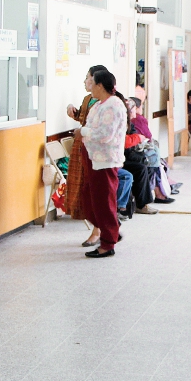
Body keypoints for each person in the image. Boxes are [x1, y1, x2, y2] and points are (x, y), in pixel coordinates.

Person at [74, 69, 128, 258]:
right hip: (93, 158)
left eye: (91, 82)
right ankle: (111, 230)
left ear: (99, 85)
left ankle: (107, 243)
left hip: (105, 160)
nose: (89, 86)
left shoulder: (113, 105)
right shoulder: (98, 104)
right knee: (90, 201)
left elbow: (106, 134)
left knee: (104, 202)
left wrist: (84, 133)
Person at [65, 66, 108, 243]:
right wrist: (73, 110)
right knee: (83, 190)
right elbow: (84, 119)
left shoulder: (107, 102)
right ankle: (100, 228)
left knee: (93, 190)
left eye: (88, 78)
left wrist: (85, 132)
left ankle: (99, 230)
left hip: (95, 150)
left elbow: (100, 128)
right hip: (80, 148)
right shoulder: (88, 99)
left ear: (97, 82)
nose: (85, 81)